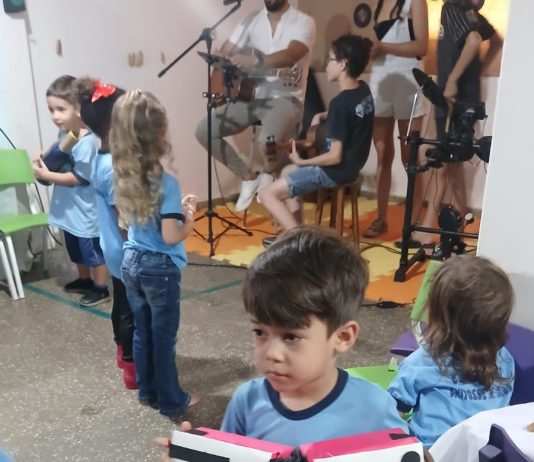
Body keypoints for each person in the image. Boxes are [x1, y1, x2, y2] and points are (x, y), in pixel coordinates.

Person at [214, 226, 406, 445]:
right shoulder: (247, 401)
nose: (272, 354)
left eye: (290, 337)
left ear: (342, 337)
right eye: (260, 332)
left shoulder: (374, 408)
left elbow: (410, 454)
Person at [109, 90, 200, 419]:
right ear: (159, 136)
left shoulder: (122, 176)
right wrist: (189, 218)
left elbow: (128, 223)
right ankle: (172, 400)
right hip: (159, 269)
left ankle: (146, 390)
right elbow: (170, 235)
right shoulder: (167, 184)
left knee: (142, 331)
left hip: (131, 263)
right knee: (164, 339)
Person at [195, 0, 316, 212]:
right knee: (204, 131)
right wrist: (222, 74)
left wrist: (254, 61)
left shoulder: (304, 21)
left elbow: (291, 55)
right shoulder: (251, 20)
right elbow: (227, 51)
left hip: (287, 98)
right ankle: (248, 177)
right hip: (252, 96)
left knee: (266, 142)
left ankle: (269, 174)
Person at [387, 254, 515, 448]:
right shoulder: (505, 360)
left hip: (431, 454)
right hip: (486, 453)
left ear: (436, 315)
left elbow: (390, 417)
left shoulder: (420, 363)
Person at [259, 34, 374, 237]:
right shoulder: (363, 90)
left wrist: (302, 161)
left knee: (267, 194)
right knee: (286, 171)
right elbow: (350, 114)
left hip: (333, 171)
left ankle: (299, 239)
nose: (326, 64)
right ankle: (297, 229)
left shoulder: (340, 104)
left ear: (342, 64)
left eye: (329, 60)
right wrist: (321, 115)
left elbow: (334, 156)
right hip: (353, 167)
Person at [412, 0, 503, 250]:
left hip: (453, 100)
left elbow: (474, 41)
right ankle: (456, 230)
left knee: (443, 163)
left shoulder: (452, 9)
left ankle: (430, 229)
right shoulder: (471, 14)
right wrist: (475, 71)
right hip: (463, 99)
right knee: (452, 166)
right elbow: (494, 40)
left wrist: (453, 80)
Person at [76, 77, 136, 390]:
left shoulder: (100, 156)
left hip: (111, 247)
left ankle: (122, 355)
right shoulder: (116, 167)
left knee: (121, 303)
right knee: (133, 310)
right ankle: (133, 368)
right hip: (126, 250)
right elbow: (125, 219)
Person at [32, 75, 110, 306]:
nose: (55, 116)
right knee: (75, 247)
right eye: (51, 110)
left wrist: (47, 176)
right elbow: (59, 153)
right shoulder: (66, 133)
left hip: (85, 211)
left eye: (60, 109)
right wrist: (44, 154)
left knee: (92, 252)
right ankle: (84, 280)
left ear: (78, 109)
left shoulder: (88, 141)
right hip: (70, 210)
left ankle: (101, 287)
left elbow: (79, 178)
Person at [364, 0, 428, 238]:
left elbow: (422, 45)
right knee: (382, 152)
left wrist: (384, 47)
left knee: (409, 154)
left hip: (408, 78)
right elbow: (375, 42)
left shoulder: (416, 2)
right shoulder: (380, 4)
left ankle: (413, 222)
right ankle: (381, 218)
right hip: (380, 79)